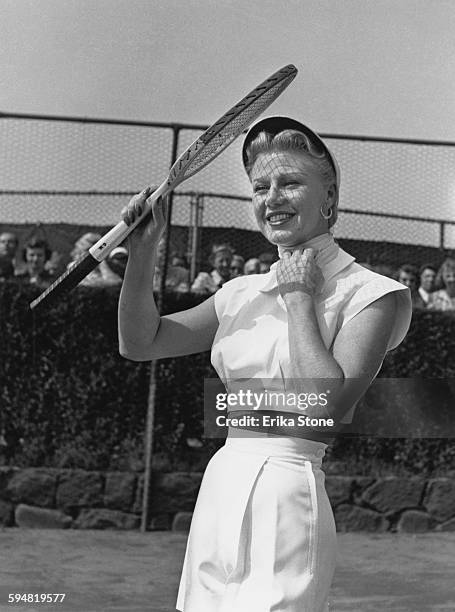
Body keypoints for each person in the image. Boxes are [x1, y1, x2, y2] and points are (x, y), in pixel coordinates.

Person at [118, 115, 412, 612]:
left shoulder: (373, 295)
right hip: (222, 481)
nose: (272, 197)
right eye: (260, 187)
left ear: (330, 196)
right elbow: (140, 342)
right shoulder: (239, 293)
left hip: (289, 490)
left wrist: (299, 297)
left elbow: (324, 404)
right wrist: (143, 253)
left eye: (291, 182)